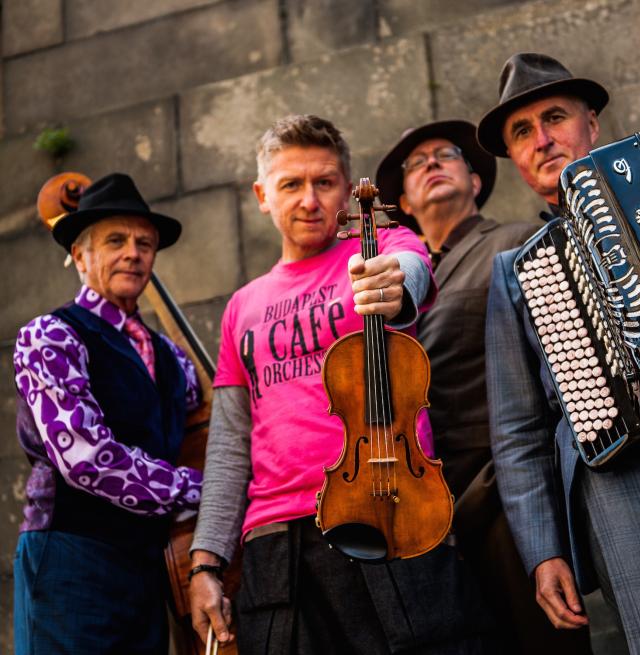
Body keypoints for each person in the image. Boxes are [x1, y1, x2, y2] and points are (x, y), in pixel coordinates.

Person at [189, 114, 499, 654]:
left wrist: (392, 283)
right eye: (292, 184)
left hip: (391, 506)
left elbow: (409, 272)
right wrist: (206, 561)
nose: (310, 200)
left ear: (346, 185)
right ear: (263, 195)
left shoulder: (383, 242)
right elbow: (230, 443)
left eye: (325, 182)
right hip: (275, 539)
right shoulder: (242, 306)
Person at [376, 120, 591, 654]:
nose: (430, 163)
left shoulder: (514, 242)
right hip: (430, 511)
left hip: (503, 497)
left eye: (445, 155)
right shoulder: (392, 277)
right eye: (416, 162)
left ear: (475, 181)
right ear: (402, 200)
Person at [479, 52, 640, 653]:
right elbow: (517, 430)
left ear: (592, 126)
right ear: (513, 160)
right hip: (618, 477)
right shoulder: (513, 272)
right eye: (522, 132)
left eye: (555, 118)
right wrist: (543, 549)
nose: (543, 139)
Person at [13, 173, 202, 654]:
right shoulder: (51, 336)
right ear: (80, 256)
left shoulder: (174, 359)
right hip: (70, 561)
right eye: (115, 241)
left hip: (147, 568)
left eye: (144, 243)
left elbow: (210, 431)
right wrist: (195, 488)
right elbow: (87, 459)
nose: (133, 254)